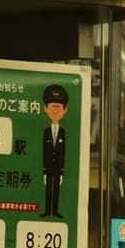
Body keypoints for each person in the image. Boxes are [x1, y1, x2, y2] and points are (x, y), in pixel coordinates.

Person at [40, 84, 69, 218]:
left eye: (59, 106)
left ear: (65, 110)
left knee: (56, 190)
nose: (56, 109)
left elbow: (63, 153)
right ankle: (47, 211)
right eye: (53, 106)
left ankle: (55, 211)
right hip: (49, 168)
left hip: (58, 168)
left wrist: (62, 172)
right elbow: (44, 152)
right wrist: (44, 171)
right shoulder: (46, 131)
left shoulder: (63, 132)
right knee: (47, 190)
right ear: (46, 109)